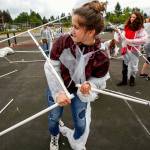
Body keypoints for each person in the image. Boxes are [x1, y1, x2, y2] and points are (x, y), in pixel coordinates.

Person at [44, 1, 109, 150]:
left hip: (78, 93)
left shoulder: (101, 55)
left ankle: (76, 140)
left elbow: (99, 81)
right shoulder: (63, 42)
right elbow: (51, 67)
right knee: (53, 119)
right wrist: (58, 92)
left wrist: (89, 86)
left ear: (91, 31)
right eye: (72, 25)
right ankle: (55, 135)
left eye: (76, 27)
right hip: (58, 87)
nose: (71, 30)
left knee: (81, 124)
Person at [115, 11, 147, 86]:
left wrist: (131, 41)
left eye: (134, 17)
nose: (132, 19)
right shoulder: (127, 27)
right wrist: (118, 33)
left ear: (138, 19)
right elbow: (122, 38)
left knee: (133, 66)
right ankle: (124, 80)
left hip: (134, 51)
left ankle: (132, 79)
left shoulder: (140, 29)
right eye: (131, 17)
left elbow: (144, 39)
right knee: (124, 66)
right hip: (125, 49)